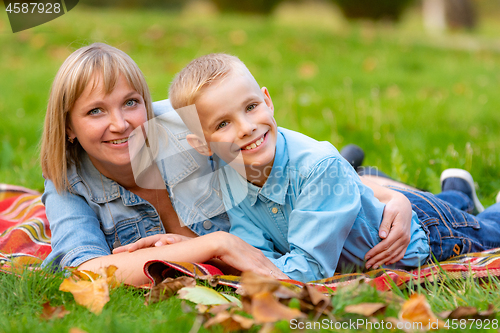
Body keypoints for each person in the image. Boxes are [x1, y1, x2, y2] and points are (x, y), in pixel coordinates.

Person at [40, 43, 410, 285]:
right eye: (95, 111)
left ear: (146, 102)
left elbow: (287, 154)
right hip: (281, 229)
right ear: (69, 126)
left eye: (131, 102)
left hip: (319, 200)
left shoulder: (180, 122)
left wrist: (394, 198)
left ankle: (437, 194)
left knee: (403, 199)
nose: (120, 123)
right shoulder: (67, 184)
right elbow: (85, 274)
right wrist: (216, 245)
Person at [166, 53, 500, 282]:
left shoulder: (317, 166)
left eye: (251, 107)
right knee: (456, 210)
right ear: (202, 144)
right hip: (369, 212)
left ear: (267, 101)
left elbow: (309, 269)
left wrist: (254, 268)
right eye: (223, 124)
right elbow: (256, 252)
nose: (246, 127)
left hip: (425, 236)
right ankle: (458, 194)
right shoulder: (229, 179)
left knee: (488, 231)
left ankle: (472, 203)